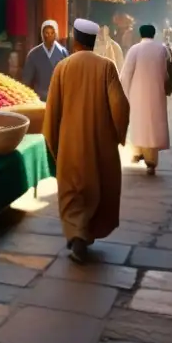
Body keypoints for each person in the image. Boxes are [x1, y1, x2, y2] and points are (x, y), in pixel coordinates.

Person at [43, 18, 130, 264]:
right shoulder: (106, 66)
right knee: (97, 189)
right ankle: (84, 235)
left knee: (73, 192)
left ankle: (78, 235)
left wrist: (53, 141)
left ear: (75, 39)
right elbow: (119, 107)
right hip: (99, 145)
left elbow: (52, 111)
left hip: (70, 144)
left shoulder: (62, 67)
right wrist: (118, 136)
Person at [120, 24, 171, 175]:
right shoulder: (162, 49)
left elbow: (126, 74)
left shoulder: (135, 49)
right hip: (156, 92)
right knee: (153, 125)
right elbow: (167, 73)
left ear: (140, 34)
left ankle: (138, 151)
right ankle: (151, 161)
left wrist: (125, 93)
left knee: (139, 123)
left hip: (138, 93)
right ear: (154, 34)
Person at [22, 19, 68, 101]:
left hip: (59, 98)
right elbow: (26, 81)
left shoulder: (63, 53)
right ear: (42, 34)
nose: (49, 36)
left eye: (52, 33)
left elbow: (68, 78)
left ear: (56, 34)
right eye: (46, 33)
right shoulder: (33, 54)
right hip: (39, 98)